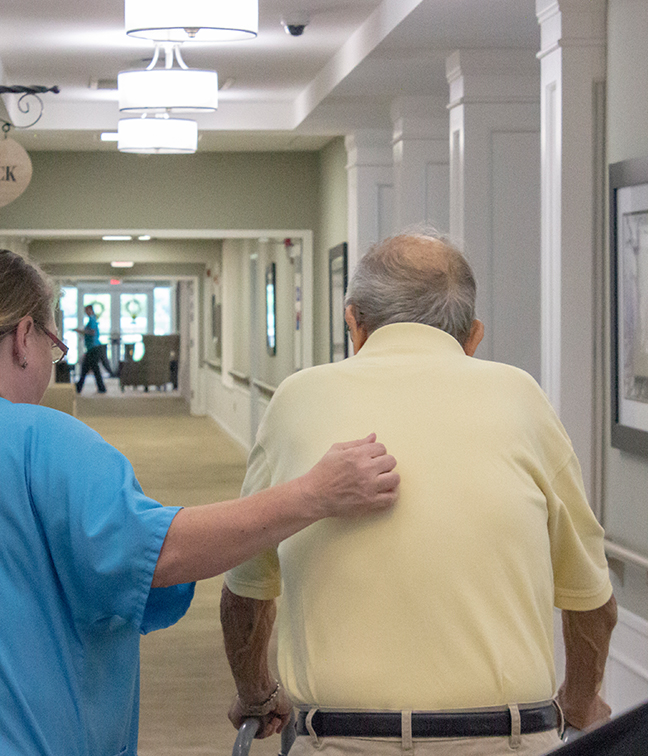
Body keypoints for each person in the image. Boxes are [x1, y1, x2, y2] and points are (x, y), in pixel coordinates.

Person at [0, 248, 399, 756]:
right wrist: (313, 493)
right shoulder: (44, 442)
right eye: (55, 352)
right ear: (25, 338)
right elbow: (162, 554)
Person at [220, 232, 617, 756]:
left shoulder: (297, 398)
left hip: (340, 742)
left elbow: (245, 592)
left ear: (353, 323)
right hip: (507, 741)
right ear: (473, 336)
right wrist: (583, 701)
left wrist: (255, 694)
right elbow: (590, 599)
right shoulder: (522, 398)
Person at [75, 303, 114, 393]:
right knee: (93, 368)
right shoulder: (92, 319)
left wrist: (81, 331)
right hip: (92, 348)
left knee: (86, 368)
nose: (86, 312)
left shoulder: (92, 319)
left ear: (91, 310)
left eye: (87, 310)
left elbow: (92, 332)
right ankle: (100, 388)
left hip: (93, 348)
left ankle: (79, 387)